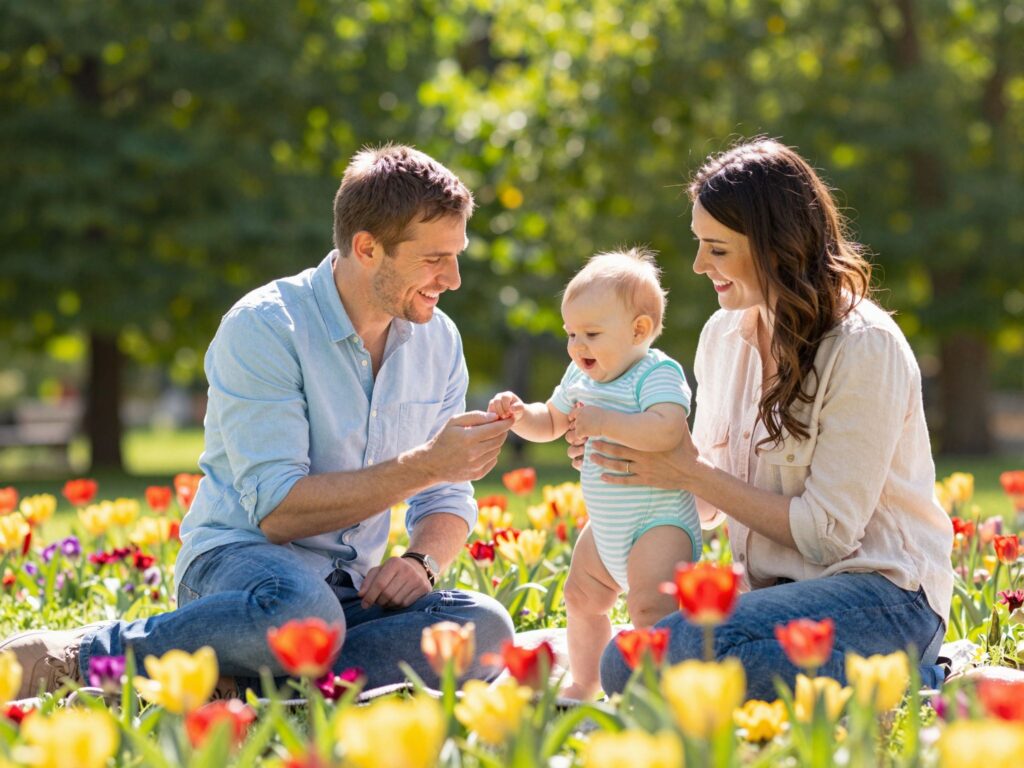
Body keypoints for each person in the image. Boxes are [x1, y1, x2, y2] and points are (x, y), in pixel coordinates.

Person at [2, 144, 516, 698]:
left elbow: (446, 498)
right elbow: (278, 512)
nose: (454, 278)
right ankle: (86, 657)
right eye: (435, 258)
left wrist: (422, 561)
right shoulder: (266, 328)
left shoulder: (439, 340)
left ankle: (249, 681)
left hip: (348, 593)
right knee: (301, 617)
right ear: (368, 248)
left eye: (456, 254)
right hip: (240, 574)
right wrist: (425, 466)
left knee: (485, 631)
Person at [584, 139, 953, 700]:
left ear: (775, 246)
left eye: (717, 249)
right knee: (631, 662)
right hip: (769, 599)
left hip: (881, 597)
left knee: (669, 659)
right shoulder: (722, 336)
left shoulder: (864, 347)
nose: (698, 265)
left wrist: (689, 473)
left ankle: (924, 676)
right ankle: (854, 684)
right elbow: (707, 502)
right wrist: (632, 462)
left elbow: (826, 536)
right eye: (698, 244)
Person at [488, 248, 699, 700]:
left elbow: (667, 430)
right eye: (570, 334)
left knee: (650, 608)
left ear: (639, 330)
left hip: (658, 522)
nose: (577, 346)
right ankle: (586, 682)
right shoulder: (580, 377)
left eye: (591, 333)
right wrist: (521, 414)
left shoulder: (655, 373)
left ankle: (655, 693)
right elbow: (552, 422)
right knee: (581, 598)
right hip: (606, 527)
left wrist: (604, 422)